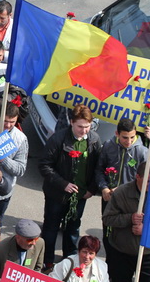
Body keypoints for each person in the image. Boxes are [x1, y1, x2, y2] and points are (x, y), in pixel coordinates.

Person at [39, 103, 102, 271]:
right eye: (80, 126)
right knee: (51, 228)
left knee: (73, 228)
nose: (84, 131)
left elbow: (98, 167)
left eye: (87, 127)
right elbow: (44, 165)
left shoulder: (94, 140)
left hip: (80, 196)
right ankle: (47, 260)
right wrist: (63, 184)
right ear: (72, 122)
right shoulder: (58, 139)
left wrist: (91, 189)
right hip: (57, 195)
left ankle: (70, 259)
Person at [102, 161, 150, 282]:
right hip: (121, 252)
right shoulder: (122, 193)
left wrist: (146, 230)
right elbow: (107, 219)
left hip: (148, 254)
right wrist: (129, 218)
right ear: (137, 177)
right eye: (147, 180)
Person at [96, 117, 150, 256]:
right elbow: (99, 169)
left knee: (125, 231)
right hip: (109, 196)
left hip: (129, 199)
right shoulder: (108, 146)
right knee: (108, 229)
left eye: (132, 137)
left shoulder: (142, 152)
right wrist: (104, 188)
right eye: (125, 137)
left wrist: (121, 189)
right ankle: (110, 261)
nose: (129, 141)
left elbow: (143, 177)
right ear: (117, 134)